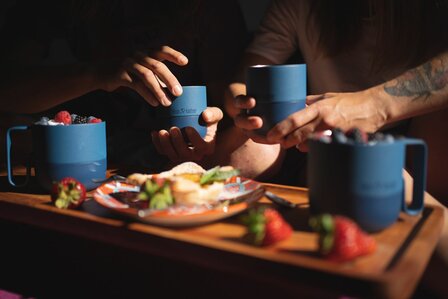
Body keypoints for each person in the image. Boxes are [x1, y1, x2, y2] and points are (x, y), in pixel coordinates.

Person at [226, 1, 448, 296]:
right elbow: (243, 80)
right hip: (332, 139)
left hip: (423, 131)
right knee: (249, 153)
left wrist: (373, 105)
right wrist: (240, 103)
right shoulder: (301, 6)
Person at [0, 0, 247, 171]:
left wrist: (212, 126)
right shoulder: (64, 7)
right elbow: (9, 89)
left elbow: (229, 102)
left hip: (180, 153)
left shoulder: (209, 8)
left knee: (252, 146)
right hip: (87, 145)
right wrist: (98, 75)